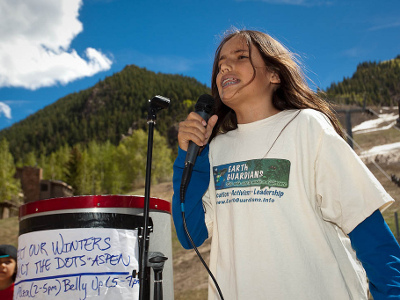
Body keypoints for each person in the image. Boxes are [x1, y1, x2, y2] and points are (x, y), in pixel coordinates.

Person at [172, 29, 400, 299]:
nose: (225, 67)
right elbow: (191, 235)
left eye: (241, 56)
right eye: (220, 65)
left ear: (274, 74)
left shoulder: (306, 126)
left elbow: (367, 229)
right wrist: (189, 158)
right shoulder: (216, 149)